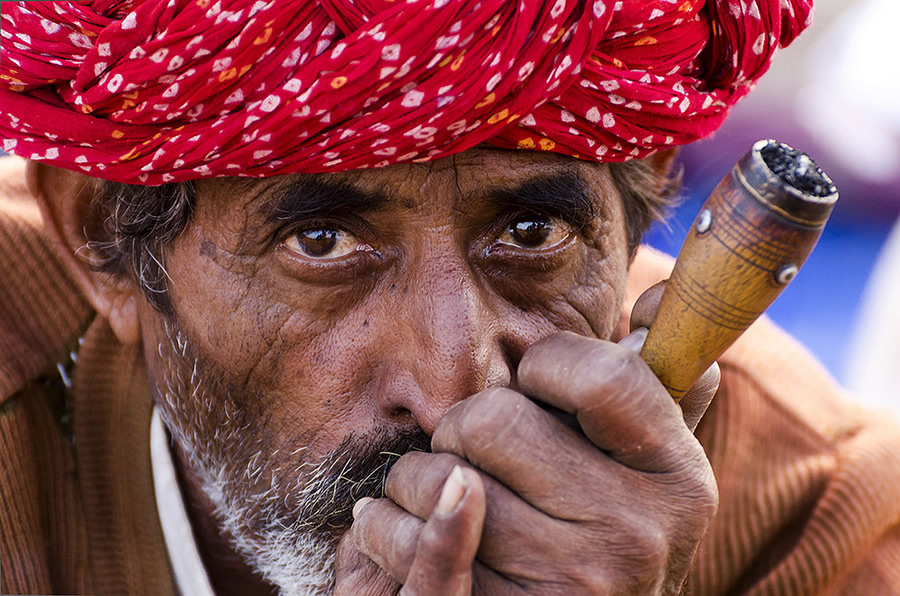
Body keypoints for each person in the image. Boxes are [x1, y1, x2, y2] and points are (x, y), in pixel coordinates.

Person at [1, 1, 899, 595]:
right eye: (322, 243)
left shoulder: (817, 523)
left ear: (639, 208)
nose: (452, 389)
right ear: (103, 242)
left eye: (532, 236)